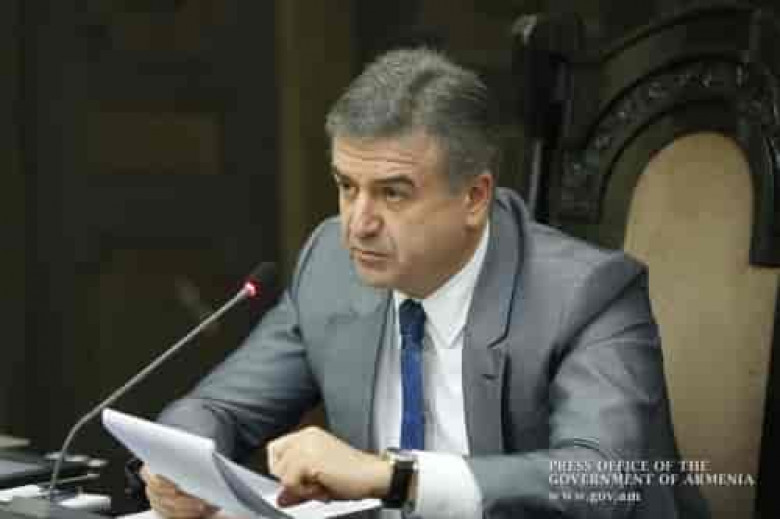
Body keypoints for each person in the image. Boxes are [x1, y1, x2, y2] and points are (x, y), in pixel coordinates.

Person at [138, 48, 709, 518]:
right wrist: (180, 465)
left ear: (474, 197)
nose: (358, 224)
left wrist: (393, 477)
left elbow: (603, 480)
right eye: (346, 186)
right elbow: (219, 408)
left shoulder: (588, 294)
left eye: (392, 193)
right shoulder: (331, 265)